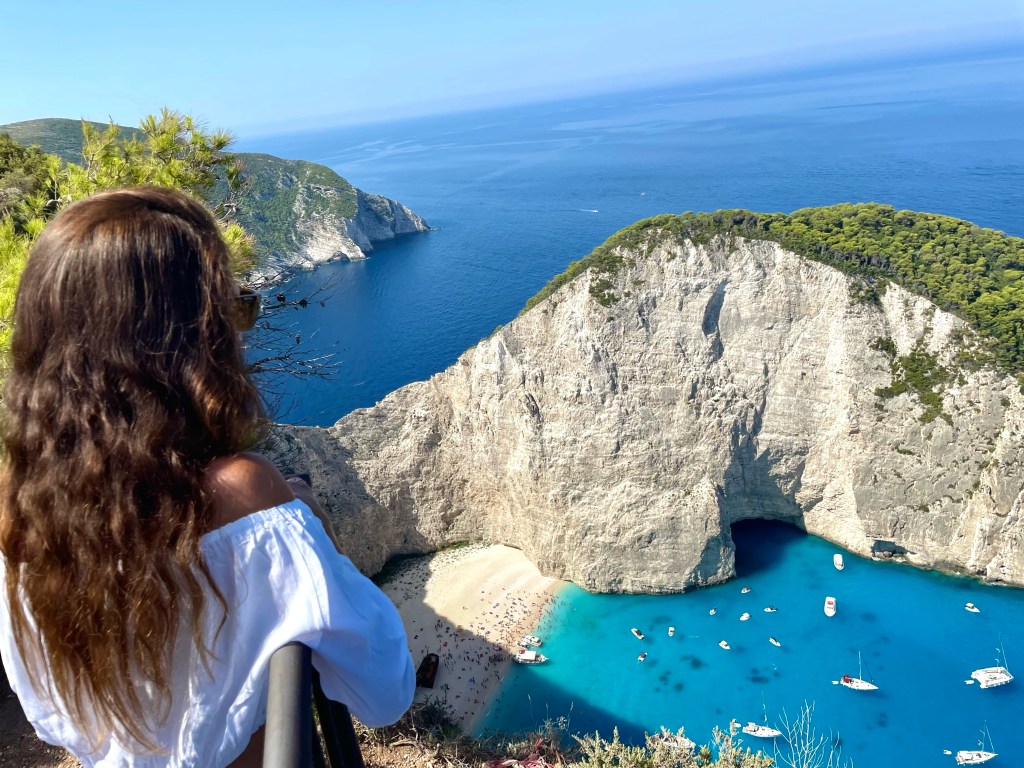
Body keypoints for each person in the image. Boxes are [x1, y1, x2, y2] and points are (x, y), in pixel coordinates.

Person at [0, 187, 414, 766]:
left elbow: (50, 714)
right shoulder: (245, 497)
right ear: (194, 342)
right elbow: (384, 689)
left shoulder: (16, 514)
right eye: (234, 311)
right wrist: (305, 526)